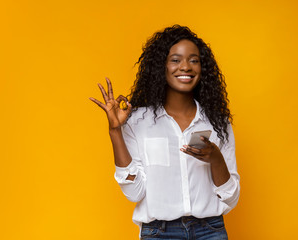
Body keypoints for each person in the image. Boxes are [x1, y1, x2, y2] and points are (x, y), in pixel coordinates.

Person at [89, 25, 240, 239]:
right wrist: (115, 131)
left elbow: (230, 198)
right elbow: (135, 193)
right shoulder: (138, 122)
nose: (186, 67)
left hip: (210, 230)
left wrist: (216, 159)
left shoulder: (217, 122)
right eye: (176, 60)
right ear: (162, 66)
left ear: (202, 68)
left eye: (194, 60)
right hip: (159, 233)